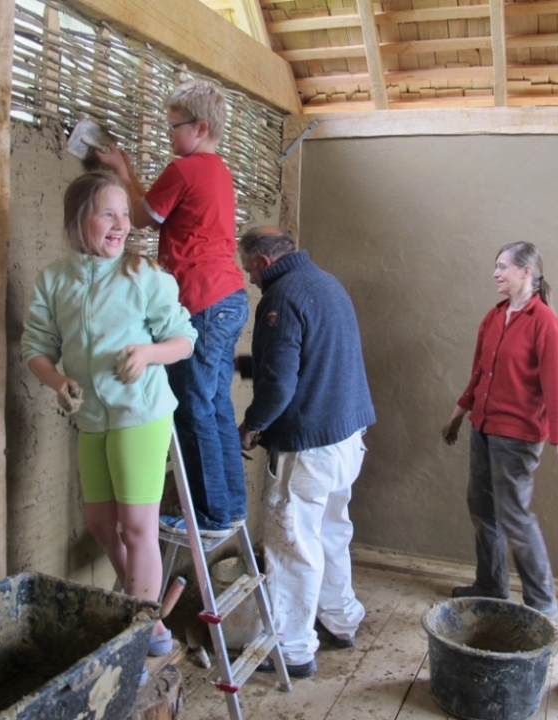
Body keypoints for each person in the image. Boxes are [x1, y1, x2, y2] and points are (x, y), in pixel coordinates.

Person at [21, 170, 198, 667]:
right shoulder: (55, 280)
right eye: (109, 213)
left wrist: (148, 353)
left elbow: (184, 341)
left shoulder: (145, 278)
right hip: (92, 418)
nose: (122, 224)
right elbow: (37, 347)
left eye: (125, 214)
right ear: (79, 221)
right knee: (101, 524)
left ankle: (139, 636)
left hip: (140, 413)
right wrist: (57, 383)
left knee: (137, 528)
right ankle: (148, 617)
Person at [96, 80, 249, 537]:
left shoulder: (184, 169)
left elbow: (142, 216)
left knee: (192, 409)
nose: (168, 134)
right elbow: (157, 211)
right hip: (229, 298)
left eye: (174, 126)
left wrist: (121, 169)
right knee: (216, 404)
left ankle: (209, 515)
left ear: (200, 127)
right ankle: (231, 506)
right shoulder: (217, 170)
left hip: (201, 300)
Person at [236, 226, 376, 679]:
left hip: (309, 446)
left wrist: (252, 426)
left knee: (292, 544)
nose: (250, 280)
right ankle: (340, 618)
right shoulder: (325, 283)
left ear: (261, 262)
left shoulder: (279, 298)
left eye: (249, 271)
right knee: (332, 531)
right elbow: (306, 357)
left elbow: (279, 384)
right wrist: (241, 365)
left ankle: (291, 649)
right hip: (345, 437)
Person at [442, 241, 558, 620]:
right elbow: (479, 373)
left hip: (518, 436)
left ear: (527, 272)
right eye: (495, 266)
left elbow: (555, 387)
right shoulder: (494, 317)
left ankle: (542, 607)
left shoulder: (545, 323)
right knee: (481, 506)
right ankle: (491, 585)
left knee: (515, 516)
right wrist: (460, 411)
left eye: (503, 266)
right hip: (483, 426)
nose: (496, 273)